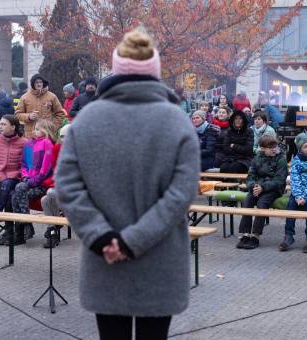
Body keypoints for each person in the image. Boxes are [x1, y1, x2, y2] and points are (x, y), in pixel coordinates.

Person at [55, 28, 199, 340]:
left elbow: (67, 186)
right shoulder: (177, 121)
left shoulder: (87, 120)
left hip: (104, 260)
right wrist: (135, 240)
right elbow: (182, 194)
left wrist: (102, 236)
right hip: (160, 260)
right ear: (155, 72)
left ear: (116, 71)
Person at [236, 135, 287, 250]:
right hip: (258, 187)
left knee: (262, 203)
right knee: (247, 200)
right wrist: (254, 186)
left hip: (274, 189)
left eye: (275, 146)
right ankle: (245, 234)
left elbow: (279, 181)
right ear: (262, 148)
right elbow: (250, 176)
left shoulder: (281, 159)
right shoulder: (257, 158)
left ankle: (255, 236)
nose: (274, 149)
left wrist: (262, 187)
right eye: (270, 147)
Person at [11, 119, 56, 245]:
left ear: (46, 130)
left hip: (41, 184)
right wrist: (25, 177)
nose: (34, 131)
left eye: (37, 129)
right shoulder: (29, 144)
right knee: (16, 195)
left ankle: (22, 231)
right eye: (34, 128)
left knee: (18, 192)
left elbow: (46, 169)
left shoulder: (47, 144)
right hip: (28, 182)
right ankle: (25, 228)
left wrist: (32, 181)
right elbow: (24, 164)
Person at [279, 133, 307, 253]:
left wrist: (304, 196)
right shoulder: (296, 160)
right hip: (299, 191)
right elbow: (295, 179)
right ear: (300, 149)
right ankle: (289, 236)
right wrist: (298, 195)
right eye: (305, 146)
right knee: (291, 204)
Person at [41, 124, 70, 248]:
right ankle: (53, 229)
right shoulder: (57, 148)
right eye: (61, 136)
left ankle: (55, 227)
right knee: (45, 200)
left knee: (50, 193)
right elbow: (55, 170)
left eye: (66, 136)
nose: (63, 139)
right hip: (59, 184)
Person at [15, 74, 65, 138]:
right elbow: (18, 114)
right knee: (31, 148)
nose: (39, 84)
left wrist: (53, 127)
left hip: (47, 134)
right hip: (30, 134)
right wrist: (29, 116)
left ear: (43, 83)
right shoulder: (24, 97)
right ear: (33, 84)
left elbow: (60, 114)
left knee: (47, 148)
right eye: (36, 82)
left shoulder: (52, 96)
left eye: (40, 82)